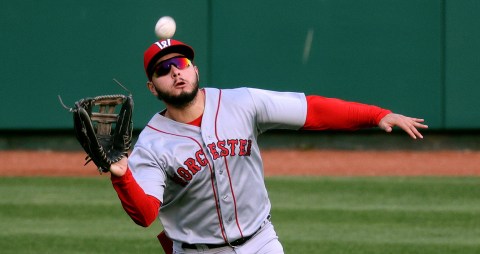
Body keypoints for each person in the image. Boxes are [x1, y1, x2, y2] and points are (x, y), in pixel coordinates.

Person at [109, 39, 428, 254]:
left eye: (181, 62)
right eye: (163, 70)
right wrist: (122, 176)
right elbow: (145, 214)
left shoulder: (241, 102)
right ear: (152, 87)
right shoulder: (151, 143)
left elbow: (311, 109)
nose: (175, 72)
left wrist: (378, 115)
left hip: (261, 242)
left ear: (195, 69)